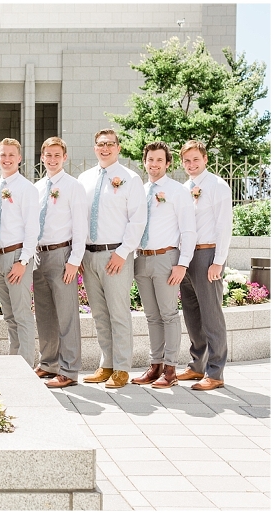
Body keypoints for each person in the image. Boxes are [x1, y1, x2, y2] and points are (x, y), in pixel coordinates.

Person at [78, 129, 147, 388]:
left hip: (115, 254)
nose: (104, 148)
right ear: (94, 148)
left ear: (118, 148)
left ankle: (121, 368)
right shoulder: (84, 179)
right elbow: (78, 219)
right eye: (100, 144)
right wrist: (79, 253)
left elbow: (138, 220)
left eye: (109, 144)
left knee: (118, 313)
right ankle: (106, 364)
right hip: (89, 255)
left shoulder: (130, 178)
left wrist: (122, 253)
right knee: (99, 314)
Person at [131, 142, 197, 389]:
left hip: (166, 259)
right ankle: (155, 365)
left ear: (168, 163)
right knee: (151, 316)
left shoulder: (178, 191)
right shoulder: (140, 190)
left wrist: (182, 264)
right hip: (142, 259)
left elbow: (188, 230)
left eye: (159, 160)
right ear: (145, 161)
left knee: (168, 314)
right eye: (150, 160)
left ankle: (170, 369)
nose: (154, 164)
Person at [176, 140, 232, 391]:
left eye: (195, 159)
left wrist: (218, 261)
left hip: (207, 254)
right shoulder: (184, 187)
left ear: (205, 159)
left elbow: (224, 226)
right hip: (185, 256)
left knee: (211, 316)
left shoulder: (217, 186)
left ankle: (216, 372)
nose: (191, 164)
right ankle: (197, 365)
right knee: (192, 314)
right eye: (186, 160)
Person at [33, 137, 87, 388]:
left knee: (66, 316)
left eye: (57, 155)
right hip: (38, 255)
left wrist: (74, 260)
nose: (52, 159)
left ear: (65, 157)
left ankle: (69, 369)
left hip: (62, 254)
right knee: (44, 314)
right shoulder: (37, 187)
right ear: (42, 157)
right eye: (48, 155)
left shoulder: (73, 186)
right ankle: (48, 363)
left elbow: (80, 226)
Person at [0, 138, 36, 362]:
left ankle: (26, 365)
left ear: (19, 159)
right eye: (3, 155)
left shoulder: (26, 188)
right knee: (8, 315)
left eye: (11, 155)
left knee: (22, 315)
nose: (6, 159)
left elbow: (32, 228)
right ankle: (14, 362)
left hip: (17, 257)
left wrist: (23, 261)